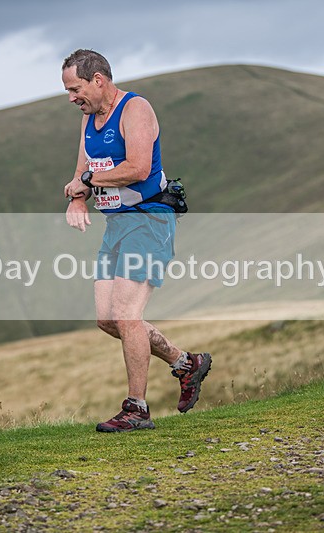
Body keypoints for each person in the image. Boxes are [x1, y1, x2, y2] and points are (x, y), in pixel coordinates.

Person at [61, 49, 212, 432]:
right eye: (67, 90)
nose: (71, 97)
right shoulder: (88, 121)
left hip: (148, 220)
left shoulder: (135, 109)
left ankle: (137, 409)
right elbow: (83, 170)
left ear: (98, 80)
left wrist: (89, 184)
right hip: (116, 226)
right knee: (108, 319)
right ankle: (185, 363)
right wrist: (78, 200)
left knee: (127, 315)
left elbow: (139, 167)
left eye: (75, 88)